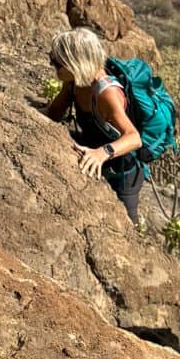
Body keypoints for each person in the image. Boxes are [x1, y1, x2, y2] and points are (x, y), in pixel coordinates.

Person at [44, 25, 146, 221]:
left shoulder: (106, 93)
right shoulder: (74, 83)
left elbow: (134, 138)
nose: (52, 65)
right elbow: (53, 113)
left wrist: (103, 153)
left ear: (74, 63)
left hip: (123, 172)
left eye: (57, 62)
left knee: (126, 224)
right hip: (96, 157)